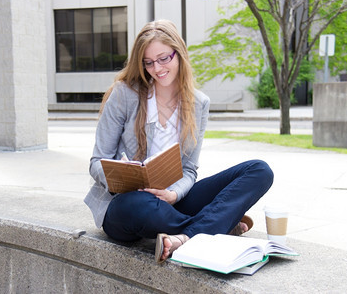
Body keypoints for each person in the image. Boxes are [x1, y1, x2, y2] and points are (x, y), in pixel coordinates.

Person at [84, 19, 274, 263]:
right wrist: (121, 174)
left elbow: (189, 170)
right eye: (149, 62)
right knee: (141, 204)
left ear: (179, 53)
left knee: (259, 170)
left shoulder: (198, 103)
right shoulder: (125, 94)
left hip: (172, 202)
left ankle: (186, 236)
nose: (157, 68)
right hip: (126, 204)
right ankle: (216, 225)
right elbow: (96, 161)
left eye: (164, 58)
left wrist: (173, 195)